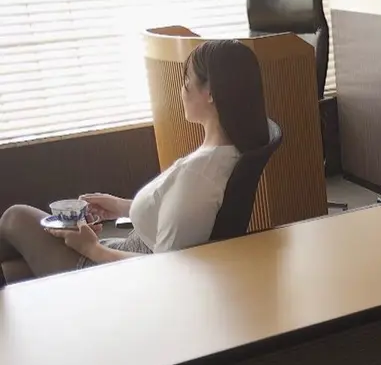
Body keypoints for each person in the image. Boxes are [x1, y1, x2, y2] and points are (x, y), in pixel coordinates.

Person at [0, 40, 268, 284]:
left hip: (118, 276)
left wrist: (92, 248)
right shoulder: (224, 153)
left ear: (210, 92)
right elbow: (177, 213)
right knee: (15, 269)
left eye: (186, 81)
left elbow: (168, 269)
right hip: (124, 254)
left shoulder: (200, 176)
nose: (182, 90)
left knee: (16, 217)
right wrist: (119, 207)